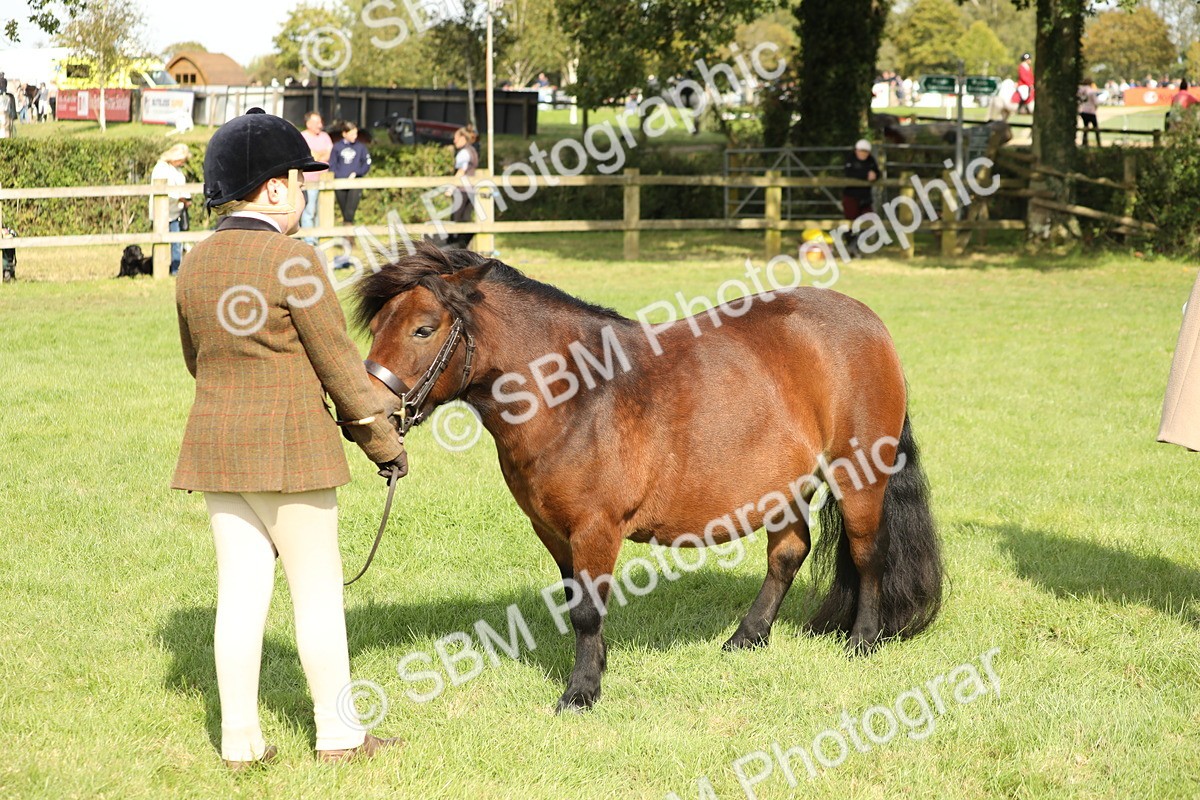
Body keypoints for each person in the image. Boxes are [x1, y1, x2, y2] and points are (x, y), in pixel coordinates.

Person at [173, 107, 408, 769]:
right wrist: (386, 446)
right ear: (273, 189)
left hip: (217, 453)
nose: (304, 194)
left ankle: (240, 745)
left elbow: (197, 360)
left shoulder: (193, 266)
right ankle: (339, 736)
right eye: (299, 183)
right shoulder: (294, 258)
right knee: (318, 596)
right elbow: (341, 368)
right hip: (292, 453)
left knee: (240, 597)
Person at [150, 143, 192, 275]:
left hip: (175, 211)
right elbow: (163, 189)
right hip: (162, 211)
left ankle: (175, 270)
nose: (181, 163)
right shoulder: (161, 168)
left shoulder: (176, 170)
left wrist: (186, 198)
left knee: (177, 241)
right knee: (160, 242)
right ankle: (157, 269)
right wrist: (181, 198)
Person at [842, 138, 879, 256]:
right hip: (851, 196)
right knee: (851, 223)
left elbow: (877, 171)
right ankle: (851, 245)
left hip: (865, 197)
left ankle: (854, 245)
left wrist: (875, 175)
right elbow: (849, 173)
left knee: (868, 220)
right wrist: (866, 175)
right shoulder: (850, 159)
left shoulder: (871, 160)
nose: (863, 154)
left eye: (866, 151)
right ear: (856, 151)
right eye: (861, 151)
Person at [299, 111, 332, 245]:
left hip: (324, 179)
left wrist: (317, 155)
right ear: (308, 124)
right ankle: (309, 240)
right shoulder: (302, 137)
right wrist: (317, 155)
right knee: (309, 210)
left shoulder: (325, 136)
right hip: (308, 180)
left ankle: (318, 238)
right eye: (317, 122)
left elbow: (327, 155)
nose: (320, 125)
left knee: (322, 211)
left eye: (320, 122)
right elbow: (310, 156)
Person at [330, 121, 370, 225]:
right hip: (340, 182)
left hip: (355, 183)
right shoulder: (337, 147)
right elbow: (332, 164)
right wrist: (339, 176)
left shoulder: (361, 147)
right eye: (352, 134)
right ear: (344, 134)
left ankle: (348, 236)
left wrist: (357, 173)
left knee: (350, 212)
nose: (355, 136)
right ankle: (347, 235)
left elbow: (367, 163)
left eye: (356, 133)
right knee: (344, 211)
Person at [446, 124, 478, 249]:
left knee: (456, 221)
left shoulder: (463, 153)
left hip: (461, 190)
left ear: (463, 138)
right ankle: (462, 248)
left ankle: (454, 249)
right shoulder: (473, 150)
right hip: (471, 190)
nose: (454, 141)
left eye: (456, 138)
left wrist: (451, 187)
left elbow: (461, 171)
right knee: (466, 220)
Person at [1078, 81, 1100, 146]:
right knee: (1096, 128)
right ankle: (1098, 143)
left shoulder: (1080, 91)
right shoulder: (1091, 91)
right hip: (1091, 112)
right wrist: (1095, 108)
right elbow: (1096, 102)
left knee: (1085, 127)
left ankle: (1084, 143)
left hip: (1083, 111)